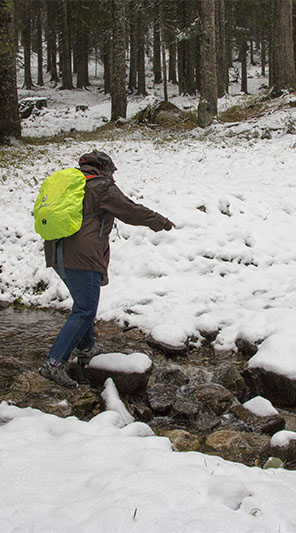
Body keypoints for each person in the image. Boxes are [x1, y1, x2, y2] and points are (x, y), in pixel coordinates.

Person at [39, 150, 174, 389]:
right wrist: (159, 221)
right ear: (104, 169)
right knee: (84, 310)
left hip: (57, 251)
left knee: (83, 306)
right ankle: (54, 363)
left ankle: (86, 350)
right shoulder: (101, 187)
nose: (113, 176)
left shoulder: (73, 184)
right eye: (111, 171)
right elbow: (130, 210)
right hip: (82, 255)